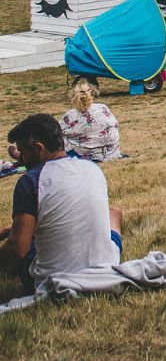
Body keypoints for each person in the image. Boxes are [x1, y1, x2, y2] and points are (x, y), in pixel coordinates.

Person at [1, 114, 122, 292]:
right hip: (104, 268)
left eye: (23, 153)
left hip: (54, 278)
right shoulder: (91, 168)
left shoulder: (31, 181)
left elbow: (17, 248)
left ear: (38, 148)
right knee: (113, 214)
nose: (21, 161)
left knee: (24, 246)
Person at [59, 81, 121, 163]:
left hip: (82, 157)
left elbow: (57, 133)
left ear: (73, 96)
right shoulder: (103, 108)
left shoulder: (70, 116)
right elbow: (115, 125)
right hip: (112, 154)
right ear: (92, 93)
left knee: (59, 136)